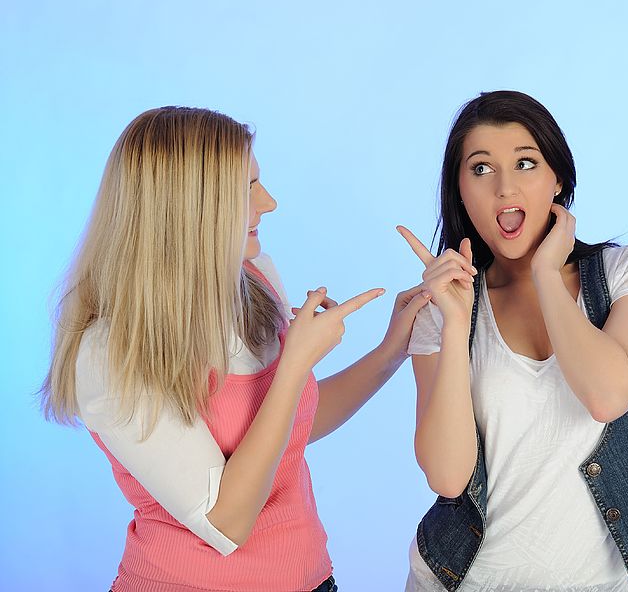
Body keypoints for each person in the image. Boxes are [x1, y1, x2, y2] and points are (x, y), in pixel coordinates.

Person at [39, 106, 427, 592]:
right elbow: (227, 523)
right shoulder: (110, 353)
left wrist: (394, 348)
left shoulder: (254, 278)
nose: (269, 202)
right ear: (187, 206)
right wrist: (294, 365)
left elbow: (291, 426)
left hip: (311, 579)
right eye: (246, 188)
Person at [398, 91, 628, 591]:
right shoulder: (445, 310)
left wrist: (544, 273)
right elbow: (448, 478)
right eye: (481, 169)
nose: (504, 187)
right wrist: (452, 324)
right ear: (461, 191)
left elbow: (606, 395)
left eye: (525, 163)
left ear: (557, 177)